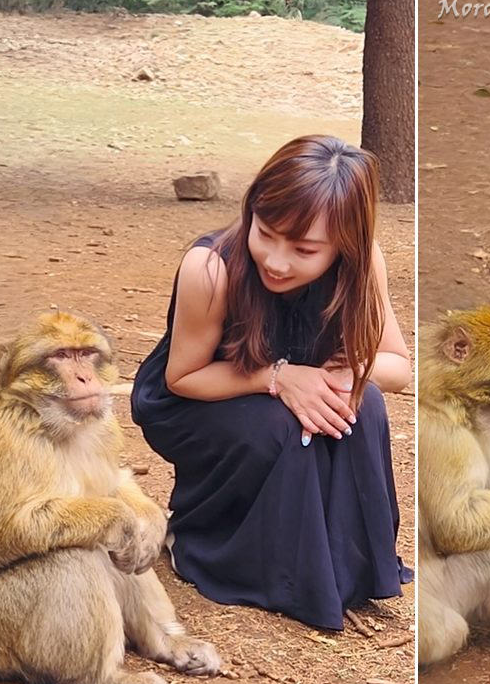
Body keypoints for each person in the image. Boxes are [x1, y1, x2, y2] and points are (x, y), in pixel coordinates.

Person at [131, 135, 413, 631]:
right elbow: (183, 378)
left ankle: (338, 569)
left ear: (344, 243)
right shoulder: (212, 268)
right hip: (199, 397)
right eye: (266, 232)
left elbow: (397, 367)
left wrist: (344, 377)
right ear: (251, 209)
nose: (277, 262)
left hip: (291, 387)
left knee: (362, 407)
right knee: (280, 426)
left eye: (305, 249)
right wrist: (278, 378)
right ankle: (205, 543)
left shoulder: (364, 263)